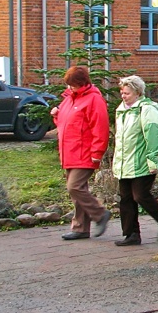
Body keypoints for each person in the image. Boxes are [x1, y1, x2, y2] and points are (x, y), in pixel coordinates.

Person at [50, 66, 112, 240]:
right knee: (78, 190)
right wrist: (56, 115)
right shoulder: (69, 99)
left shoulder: (94, 100)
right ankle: (80, 228)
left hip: (85, 152)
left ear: (83, 83)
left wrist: (97, 152)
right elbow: (66, 123)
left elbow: (100, 128)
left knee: (74, 187)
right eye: (69, 85)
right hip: (70, 151)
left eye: (73, 85)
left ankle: (100, 214)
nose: (70, 88)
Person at [111, 75, 158, 246]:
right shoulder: (121, 110)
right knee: (126, 198)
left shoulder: (146, 110)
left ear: (137, 93)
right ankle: (131, 234)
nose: (123, 96)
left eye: (127, 93)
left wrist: (153, 162)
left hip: (142, 162)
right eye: (122, 92)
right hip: (125, 162)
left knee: (140, 196)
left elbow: (153, 137)